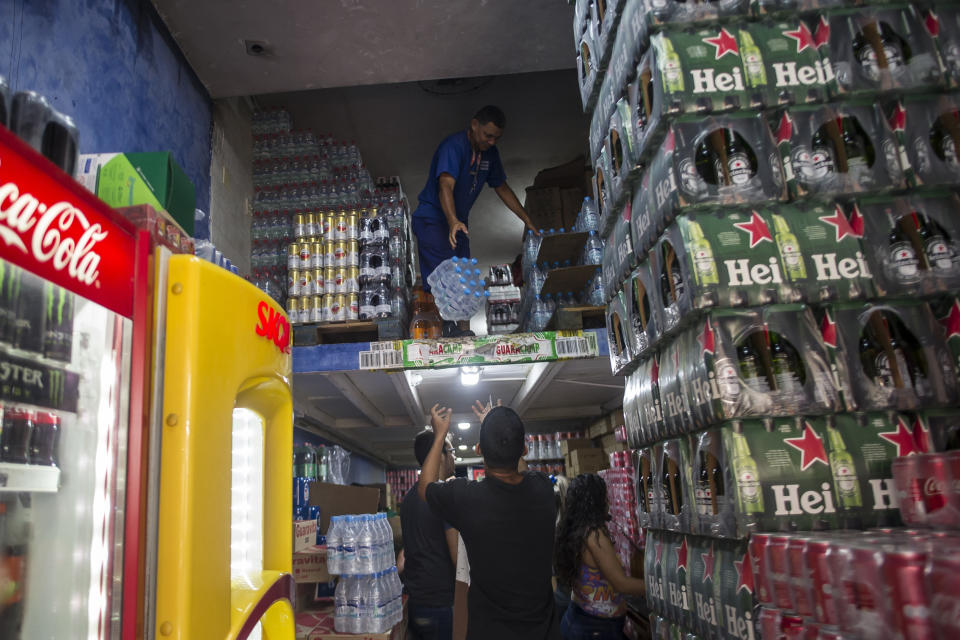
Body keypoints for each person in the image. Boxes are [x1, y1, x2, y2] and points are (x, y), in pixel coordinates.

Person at [417, 401, 561, 640]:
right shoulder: (544, 489)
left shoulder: (466, 498)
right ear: (525, 450)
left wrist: (440, 435)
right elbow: (523, 472)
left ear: (478, 449)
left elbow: (425, 487)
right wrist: (500, 431)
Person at [411, 106, 540, 336]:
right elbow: (445, 186)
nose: (491, 142)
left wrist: (526, 219)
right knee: (445, 277)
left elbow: (501, 187)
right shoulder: (454, 147)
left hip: (458, 224)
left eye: (496, 138)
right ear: (473, 125)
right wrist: (452, 220)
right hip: (434, 219)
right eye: (487, 135)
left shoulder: (490, 155)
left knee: (465, 279)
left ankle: (463, 331)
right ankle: (447, 328)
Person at [554, 474, 646, 640]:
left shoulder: (575, 530)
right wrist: (657, 590)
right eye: (605, 497)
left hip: (578, 619)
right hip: (595, 629)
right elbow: (621, 584)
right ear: (595, 501)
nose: (608, 502)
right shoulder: (594, 534)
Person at [401, 429, 459, 640]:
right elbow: (458, 558)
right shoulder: (443, 496)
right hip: (441, 604)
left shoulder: (408, 499)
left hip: (416, 602)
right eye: (451, 450)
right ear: (440, 455)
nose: (454, 457)